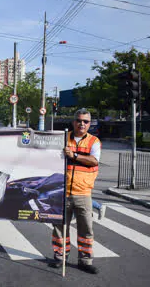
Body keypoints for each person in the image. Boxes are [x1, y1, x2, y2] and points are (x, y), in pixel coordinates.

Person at [49, 108, 101, 274]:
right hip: (62, 192)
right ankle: (60, 257)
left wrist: (74, 155)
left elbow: (93, 161)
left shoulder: (94, 141)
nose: (82, 124)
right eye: (79, 120)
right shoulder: (63, 138)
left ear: (89, 124)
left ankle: (85, 260)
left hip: (83, 193)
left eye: (85, 121)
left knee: (85, 229)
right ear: (73, 122)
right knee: (59, 227)